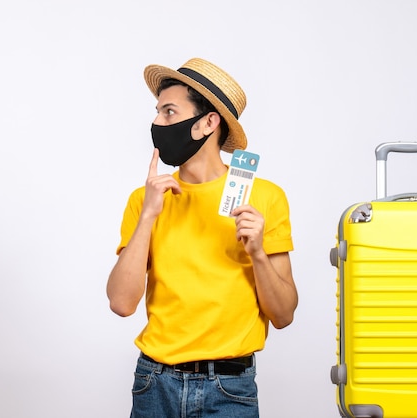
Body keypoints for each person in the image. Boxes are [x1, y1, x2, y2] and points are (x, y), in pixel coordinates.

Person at [106, 57, 298, 418]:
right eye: (157, 112)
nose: (156, 123)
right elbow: (121, 303)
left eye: (168, 112)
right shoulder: (145, 199)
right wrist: (148, 215)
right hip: (154, 383)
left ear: (208, 122)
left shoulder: (266, 198)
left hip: (229, 389)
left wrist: (257, 252)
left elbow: (284, 314)